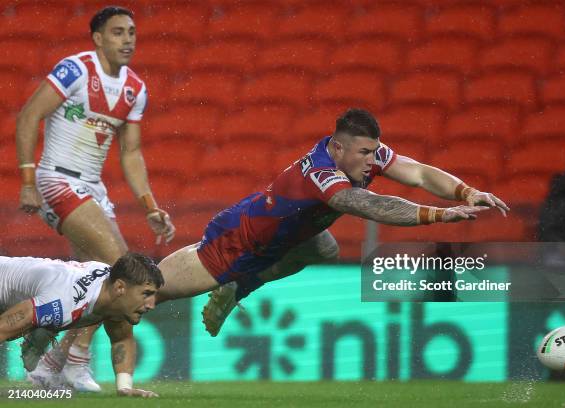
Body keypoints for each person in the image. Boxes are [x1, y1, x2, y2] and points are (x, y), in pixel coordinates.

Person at [156, 108, 509, 330]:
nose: (373, 161)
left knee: (324, 249)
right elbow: (369, 205)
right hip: (241, 239)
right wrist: (440, 214)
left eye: (374, 151)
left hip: (291, 235)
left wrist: (466, 191)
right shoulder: (322, 173)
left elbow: (417, 173)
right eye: (365, 153)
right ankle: (102, 300)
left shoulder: (364, 152)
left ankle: (238, 287)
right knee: (153, 293)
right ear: (338, 149)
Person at [15, 6, 175, 392]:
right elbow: (28, 116)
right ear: (98, 38)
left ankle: (52, 363)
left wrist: (149, 205)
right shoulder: (75, 70)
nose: (128, 40)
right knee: (121, 266)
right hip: (56, 180)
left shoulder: (135, 88)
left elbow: (131, 153)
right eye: (118, 32)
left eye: (132, 32)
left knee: (93, 280)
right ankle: (76, 360)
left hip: (93, 191)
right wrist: (27, 180)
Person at [0, 253, 162, 397]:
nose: (151, 305)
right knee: (25, 326)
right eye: (146, 294)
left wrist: (125, 388)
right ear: (120, 287)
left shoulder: (112, 294)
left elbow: (121, 338)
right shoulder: (63, 303)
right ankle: (40, 328)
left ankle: (41, 328)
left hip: (30, 292)